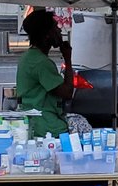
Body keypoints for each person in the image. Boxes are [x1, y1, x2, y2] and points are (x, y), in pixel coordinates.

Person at [17, 8, 90, 138]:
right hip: (46, 126)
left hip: (34, 121)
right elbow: (67, 93)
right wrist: (68, 59)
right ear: (47, 35)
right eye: (55, 27)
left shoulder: (29, 57)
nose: (60, 31)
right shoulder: (41, 63)